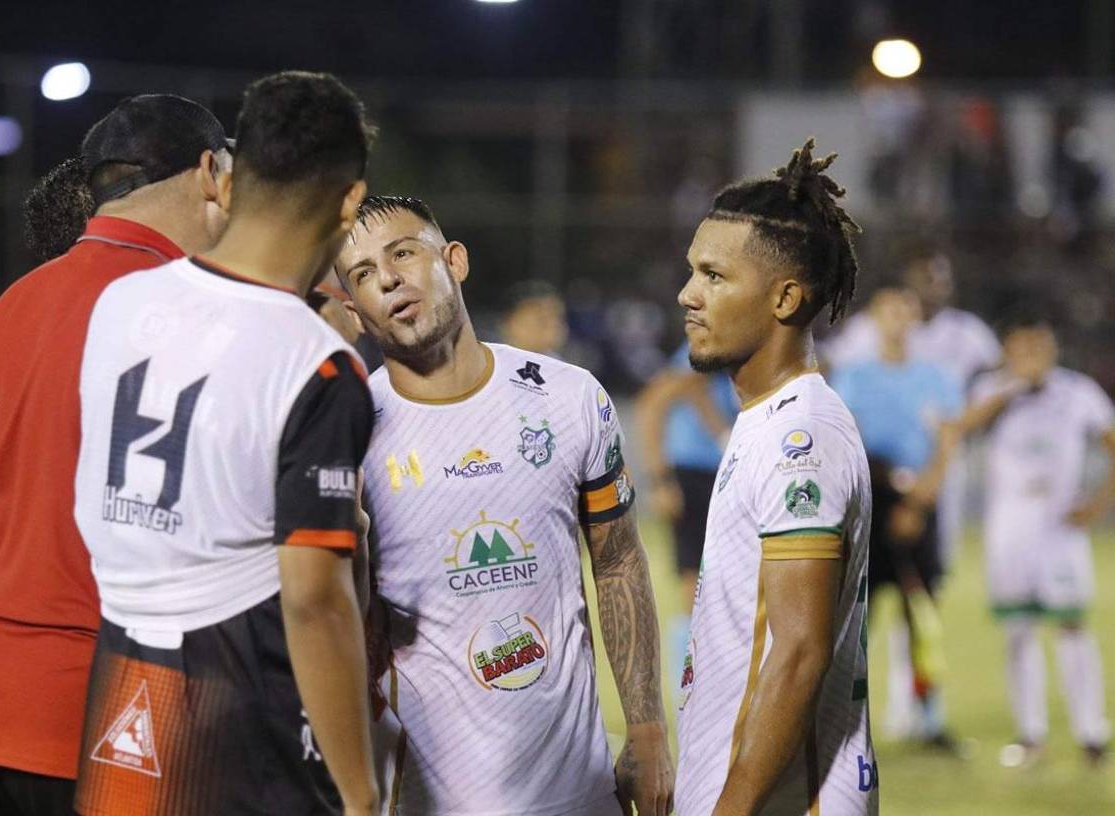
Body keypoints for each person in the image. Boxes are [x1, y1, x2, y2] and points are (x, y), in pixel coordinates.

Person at [0, 93, 234, 814]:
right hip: (106, 708)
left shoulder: (15, 303)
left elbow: (9, 459)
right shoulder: (194, 311)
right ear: (211, 172)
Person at [70, 71, 378, 816]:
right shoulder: (318, 362)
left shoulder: (122, 302)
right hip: (243, 705)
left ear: (229, 175)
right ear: (350, 202)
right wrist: (362, 794)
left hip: (119, 679)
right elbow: (314, 599)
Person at [334, 195, 673, 816]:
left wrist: (647, 729)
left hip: (582, 793)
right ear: (355, 311)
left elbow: (618, 561)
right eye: (361, 275)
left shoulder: (568, 399)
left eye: (403, 253)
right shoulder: (347, 431)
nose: (387, 278)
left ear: (454, 260)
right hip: (430, 801)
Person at [674, 139, 876, 815]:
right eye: (691, 273)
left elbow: (797, 651)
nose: (687, 295)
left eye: (714, 276)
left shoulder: (802, 438)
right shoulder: (765, 419)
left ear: (786, 297)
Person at [958, 313, 1114, 767]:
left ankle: (1092, 733)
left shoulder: (1078, 392)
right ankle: (1030, 734)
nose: (1033, 359)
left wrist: (1098, 503)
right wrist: (1011, 388)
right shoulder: (991, 390)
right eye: (1023, 349)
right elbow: (962, 429)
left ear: (1053, 350)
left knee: (1071, 627)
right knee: (1018, 631)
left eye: (1040, 349)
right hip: (1009, 529)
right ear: (1008, 352)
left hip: (1060, 530)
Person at [832, 287, 963, 752]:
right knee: (857, 617)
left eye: (907, 309)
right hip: (871, 502)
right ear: (874, 317)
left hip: (919, 502)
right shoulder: (854, 376)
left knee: (921, 615)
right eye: (890, 309)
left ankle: (931, 720)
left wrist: (920, 502)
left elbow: (947, 442)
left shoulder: (936, 377)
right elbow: (847, 440)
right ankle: (845, 720)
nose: (899, 318)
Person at [634, 343, 737, 687]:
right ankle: (689, 680)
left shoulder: (728, 357)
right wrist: (660, 480)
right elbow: (652, 405)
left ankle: (712, 677)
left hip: (725, 476)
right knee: (693, 583)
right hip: (692, 475)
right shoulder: (697, 354)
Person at [498, 279, 569, 356]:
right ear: (510, 322)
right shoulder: (488, 360)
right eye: (541, 319)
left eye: (558, 317)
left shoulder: (563, 365)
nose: (553, 325)